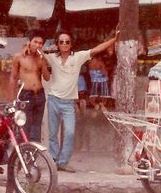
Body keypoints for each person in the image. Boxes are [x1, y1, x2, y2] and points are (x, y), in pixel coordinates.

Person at [43, 30, 118, 173]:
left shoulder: (78, 57)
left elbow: (97, 49)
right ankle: (53, 161)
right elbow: (37, 55)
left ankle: (63, 162)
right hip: (53, 100)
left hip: (68, 103)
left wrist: (114, 39)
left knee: (70, 133)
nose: (64, 44)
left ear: (71, 44)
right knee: (53, 134)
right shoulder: (51, 57)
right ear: (57, 44)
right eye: (61, 42)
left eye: (67, 42)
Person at [9, 29, 50, 142]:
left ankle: (33, 158)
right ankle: (22, 157)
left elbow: (47, 77)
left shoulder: (40, 58)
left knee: (36, 129)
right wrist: (12, 100)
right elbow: (13, 77)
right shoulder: (19, 57)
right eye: (35, 42)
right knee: (23, 127)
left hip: (39, 95)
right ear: (29, 42)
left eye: (40, 43)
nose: (38, 45)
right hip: (25, 95)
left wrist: (43, 61)